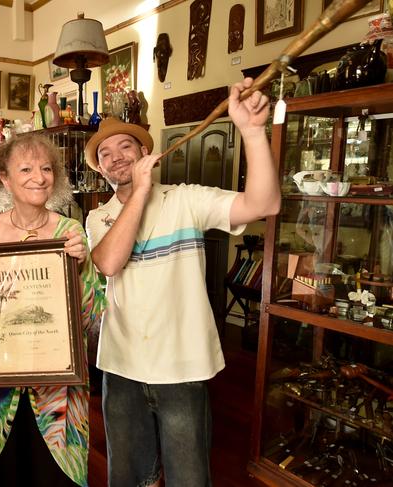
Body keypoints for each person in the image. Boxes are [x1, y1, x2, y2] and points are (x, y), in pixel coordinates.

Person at [84, 77, 281, 486]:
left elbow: (264, 203)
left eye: (126, 146)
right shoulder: (98, 218)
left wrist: (252, 132)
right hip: (120, 367)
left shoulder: (186, 200)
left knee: (189, 479)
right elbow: (108, 263)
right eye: (105, 153)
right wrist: (138, 192)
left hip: (183, 366)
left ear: (146, 153)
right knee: (127, 479)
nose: (116, 157)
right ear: (101, 169)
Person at [0, 133, 105, 487]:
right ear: (4, 178)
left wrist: (82, 266)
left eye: (46, 168)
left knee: (59, 477)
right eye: (25, 168)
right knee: (12, 473)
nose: (38, 177)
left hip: (60, 391)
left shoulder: (70, 232)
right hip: (2, 388)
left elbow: (93, 316)